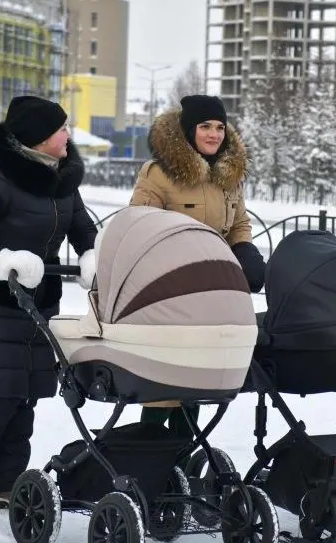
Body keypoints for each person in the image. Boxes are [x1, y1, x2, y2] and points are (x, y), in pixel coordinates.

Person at [0, 95, 99, 511]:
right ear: (38, 138)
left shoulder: (63, 180)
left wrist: (91, 256)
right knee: (1, 392)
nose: (68, 135)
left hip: (40, 302)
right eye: (61, 129)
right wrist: (5, 260)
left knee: (28, 393)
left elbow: (84, 230)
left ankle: (9, 480)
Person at [129, 94, 265, 445]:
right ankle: (151, 453)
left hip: (213, 293)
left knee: (197, 381)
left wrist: (244, 250)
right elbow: (138, 228)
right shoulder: (159, 175)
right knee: (165, 383)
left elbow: (239, 223)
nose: (214, 134)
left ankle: (183, 457)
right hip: (169, 293)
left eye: (220, 127)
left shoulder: (229, 175)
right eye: (205, 126)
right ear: (189, 131)